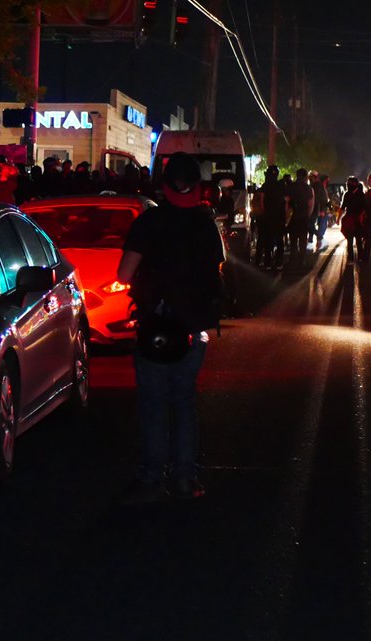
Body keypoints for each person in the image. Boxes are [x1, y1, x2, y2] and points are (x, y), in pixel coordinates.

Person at [116, 152, 225, 504]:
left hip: (156, 326)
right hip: (193, 325)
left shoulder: (149, 222)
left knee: (153, 402)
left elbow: (123, 274)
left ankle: (151, 477)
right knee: (183, 400)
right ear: (198, 188)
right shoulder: (205, 225)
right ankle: (184, 477)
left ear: (163, 186)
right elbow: (217, 273)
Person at [287, 168, 315, 265]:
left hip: (293, 217)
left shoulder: (291, 187)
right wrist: (308, 215)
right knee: (303, 239)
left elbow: (287, 202)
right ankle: (301, 259)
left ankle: (292, 259)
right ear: (305, 177)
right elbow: (311, 204)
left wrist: (287, 216)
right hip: (303, 217)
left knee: (293, 239)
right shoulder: (308, 188)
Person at [339, 176, 367, 263]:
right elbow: (343, 207)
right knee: (350, 240)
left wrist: (362, 216)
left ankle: (360, 257)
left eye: (349, 183)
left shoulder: (361, 194)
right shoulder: (347, 194)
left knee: (358, 240)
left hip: (358, 220)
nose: (348, 184)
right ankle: (351, 258)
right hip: (349, 220)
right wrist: (338, 218)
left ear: (355, 184)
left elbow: (364, 208)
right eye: (348, 183)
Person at [311, 172, 330, 252]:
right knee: (321, 225)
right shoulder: (320, 187)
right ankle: (319, 241)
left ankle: (318, 241)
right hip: (320, 210)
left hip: (322, 210)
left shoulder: (322, 187)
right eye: (327, 180)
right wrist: (321, 210)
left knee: (321, 225)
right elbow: (319, 199)